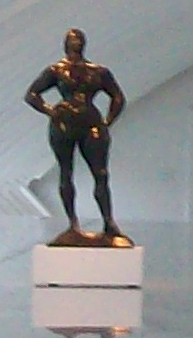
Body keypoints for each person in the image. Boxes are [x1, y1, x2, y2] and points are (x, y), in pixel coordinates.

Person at [24, 28, 127, 239]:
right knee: (66, 171)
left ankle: (108, 221)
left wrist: (107, 121)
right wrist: (50, 111)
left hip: (91, 122)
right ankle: (73, 223)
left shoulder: (98, 71)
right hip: (64, 123)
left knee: (100, 173)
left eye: (79, 39)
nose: (76, 43)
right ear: (66, 44)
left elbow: (118, 97)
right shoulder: (56, 70)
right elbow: (31, 95)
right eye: (72, 40)